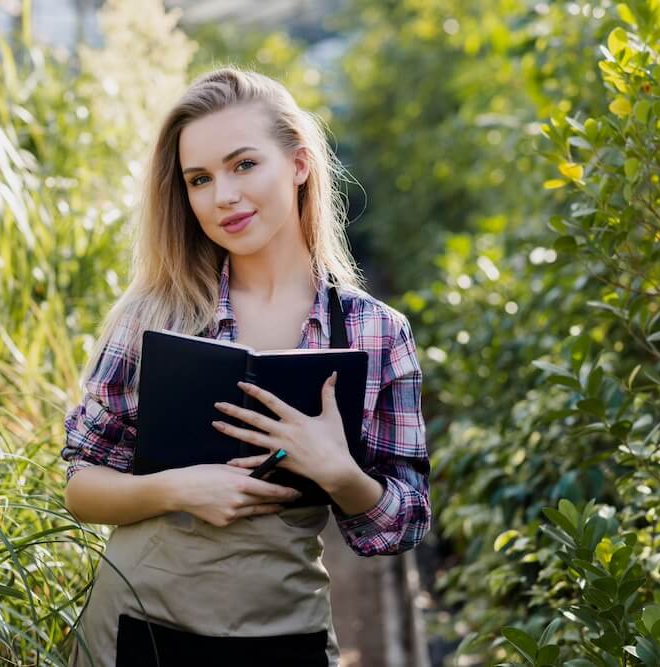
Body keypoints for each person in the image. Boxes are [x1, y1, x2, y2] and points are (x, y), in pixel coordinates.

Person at [61, 66, 431, 667]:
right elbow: (81, 489)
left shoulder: (374, 333)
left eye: (244, 165)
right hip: (135, 630)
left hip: (283, 637)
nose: (223, 196)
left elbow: (402, 526)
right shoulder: (155, 315)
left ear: (300, 164)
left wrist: (339, 474)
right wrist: (179, 488)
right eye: (199, 179)